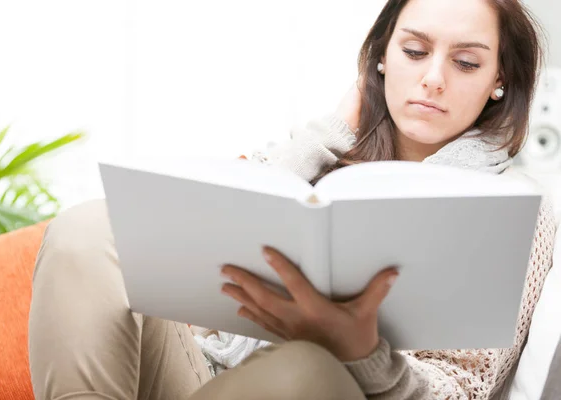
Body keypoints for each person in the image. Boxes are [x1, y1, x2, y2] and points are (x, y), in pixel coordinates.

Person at [28, 0, 558, 399]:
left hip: (322, 387)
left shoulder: (515, 211)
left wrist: (360, 351)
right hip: (205, 376)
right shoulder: (317, 157)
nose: (433, 79)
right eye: (414, 51)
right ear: (380, 58)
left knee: (305, 365)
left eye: (466, 63)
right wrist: (324, 137)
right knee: (89, 231)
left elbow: (461, 390)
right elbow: (200, 265)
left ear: (498, 81)